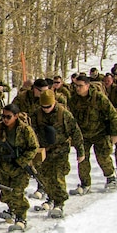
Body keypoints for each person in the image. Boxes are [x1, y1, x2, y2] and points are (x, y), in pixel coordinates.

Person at [31, 89, 83, 218]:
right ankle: (51, 197)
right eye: (43, 107)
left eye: (49, 106)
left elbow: (75, 132)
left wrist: (80, 151)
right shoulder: (36, 115)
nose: (46, 109)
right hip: (44, 152)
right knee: (44, 176)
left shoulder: (64, 114)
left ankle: (59, 203)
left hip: (61, 150)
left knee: (57, 176)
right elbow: (31, 132)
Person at [0, 104, 39, 232]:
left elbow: (33, 147)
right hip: (4, 167)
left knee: (17, 192)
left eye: (8, 117)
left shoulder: (25, 130)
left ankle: (21, 217)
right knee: (5, 192)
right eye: (3, 116)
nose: (5, 119)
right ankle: (12, 209)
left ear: (16, 116)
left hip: (19, 168)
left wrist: (21, 160)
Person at [68, 74, 117, 194]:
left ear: (87, 86)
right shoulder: (74, 100)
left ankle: (110, 177)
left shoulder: (98, 98)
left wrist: (115, 133)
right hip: (83, 135)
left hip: (100, 132)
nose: (78, 88)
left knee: (102, 156)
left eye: (80, 86)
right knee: (82, 159)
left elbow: (112, 115)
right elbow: (71, 119)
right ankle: (85, 183)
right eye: (76, 86)